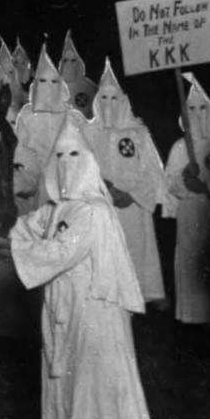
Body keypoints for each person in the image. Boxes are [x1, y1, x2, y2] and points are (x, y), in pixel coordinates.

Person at [13, 114, 158, 419]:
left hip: (98, 313)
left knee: (107, 391)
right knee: (75, 388)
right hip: (67, 312)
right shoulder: (60, 208)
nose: (66, 163)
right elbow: (26, 228)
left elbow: (60, 252)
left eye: (74, 155)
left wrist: (14, 248)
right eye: (58, 156)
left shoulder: (94, 210)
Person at [84, 66, 169, 307]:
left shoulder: (138, 132)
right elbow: (80, 169)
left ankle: (143, 296)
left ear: (123, 100)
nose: (109, 103)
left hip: (133, 206)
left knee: (136, 253)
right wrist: (105, 189)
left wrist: (132, 194)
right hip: (102, 204)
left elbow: (154, 171)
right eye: (104, 98)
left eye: (114, 97)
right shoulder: (88, 132)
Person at [161, 73, 210, 327]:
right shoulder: (180, 147)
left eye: (202, 107)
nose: (197, 112)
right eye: (191, 108)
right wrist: (184, 181)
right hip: (191, 213)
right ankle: (194, 318)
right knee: (191, 262)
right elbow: (169, 181)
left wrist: (208, 189)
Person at [8, 54, 74, 216]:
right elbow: (22, 152)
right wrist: (25, 181)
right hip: (37, 185)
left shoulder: (72, 116)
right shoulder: (27, 115)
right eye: (42, 81)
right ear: (35, 84)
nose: (48, 87)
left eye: (53, 82)